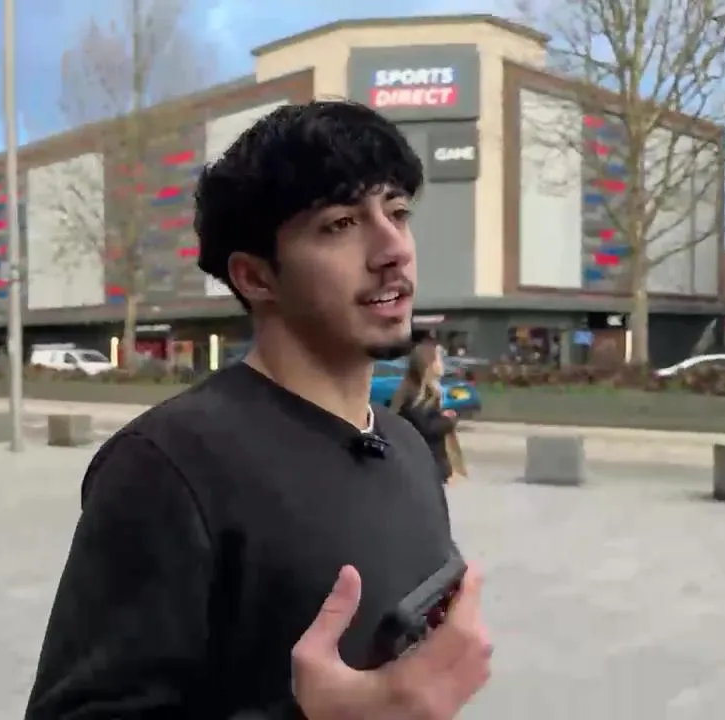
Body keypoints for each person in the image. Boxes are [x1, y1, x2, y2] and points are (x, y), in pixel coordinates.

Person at [25, 100, 491, 719]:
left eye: (397, 212)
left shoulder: (406, 444)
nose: (392, 249)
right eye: (340, 224)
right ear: (255, 277)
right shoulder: (166, 466)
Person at [390, 342, 465, 484]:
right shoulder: (415, 395)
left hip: (425, 468)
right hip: (418, 469)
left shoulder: (429, 392)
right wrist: (449, 421)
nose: (442, 364)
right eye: (439, 359)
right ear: (428, 364)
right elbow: (426, 428)